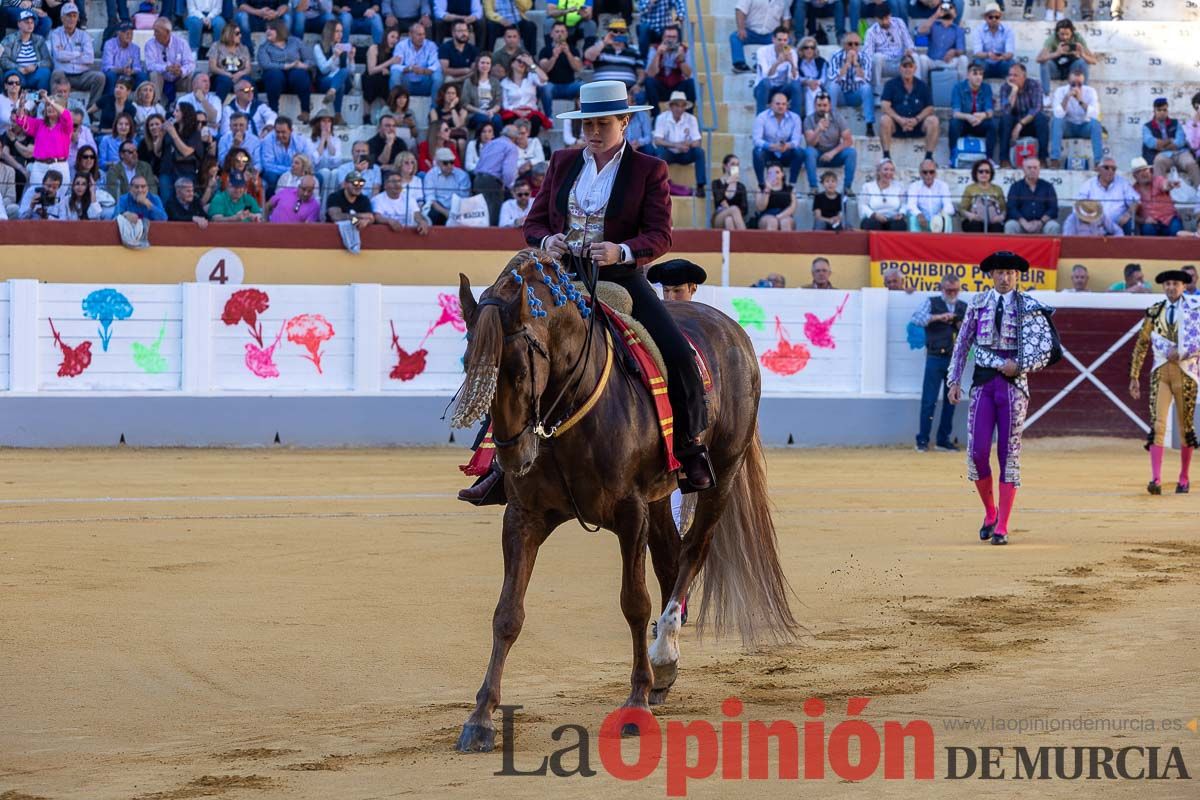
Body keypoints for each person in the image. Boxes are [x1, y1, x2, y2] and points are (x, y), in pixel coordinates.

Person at [470, 78, 711, 501]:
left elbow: (660, 236)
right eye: (587, 126)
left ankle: (691, 450)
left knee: (678, 353)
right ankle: (496, 461)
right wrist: (548, 242)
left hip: (620, 278)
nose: (594, 133)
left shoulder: (649, 169)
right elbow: (535, 223)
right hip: (561, 276)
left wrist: (621, 251)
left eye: (603, 124)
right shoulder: (563, 162)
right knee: (511, 348)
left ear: (625, 123)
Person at [948, 251, 1059, 545]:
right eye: (999, 272)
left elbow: (1045, 350)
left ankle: (1003, 526)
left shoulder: (1029, 307)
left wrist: (1020, 366)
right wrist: (954, 380)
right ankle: (990, 511)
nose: (1005, 277)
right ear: (991, 275)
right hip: (983, 385)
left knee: (1008, 454)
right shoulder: (978, 304)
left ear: (1017, 276)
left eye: (1010, 272)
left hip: (1013, 387)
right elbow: (962, 345)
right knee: (977, 452)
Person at [1129, 270, 1199, 495]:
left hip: (1186, 372)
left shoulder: (1195, 310)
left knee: (1185, 426)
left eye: (1176, 284)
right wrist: (1134, 375)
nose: (1171, 287)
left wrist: (1182, 352)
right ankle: (1156, 479)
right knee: (1158, 424)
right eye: (1168, 284)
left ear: (1183, 286)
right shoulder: (1154, 311)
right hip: (1160, 373)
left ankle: (1184, 477)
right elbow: (1142, 343)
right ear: (1163, 287)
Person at [911, 274, 965, 452]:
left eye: (955, 290)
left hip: (954, 360)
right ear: (941, 289)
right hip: (934, 357)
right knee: (929, 401)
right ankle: (923, 440)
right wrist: (938, 317)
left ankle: (943, 440)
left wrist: (960, 325)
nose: (952, 293)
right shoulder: (932, 302)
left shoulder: (963, 307)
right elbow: (916, 319)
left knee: (951, 401)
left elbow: (973, 330)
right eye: (949, 290)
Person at [878, 55, 938, 163]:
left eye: (910, 66)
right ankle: (886, 156)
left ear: (915, 68)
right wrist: (900, 120)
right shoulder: (890, 84)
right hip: (897, 124)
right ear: (900, 68)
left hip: (917, 124)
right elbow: (884, 106)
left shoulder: (923, 86)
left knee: (933, 120)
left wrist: (916, 120)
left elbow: (930, 108)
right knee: (884, 120)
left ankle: (928, 158)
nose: (907, 69)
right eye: (904, 66)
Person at [49, 3, 105, 107]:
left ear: (78, 18)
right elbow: (58, 56)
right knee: (56, 74)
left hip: (82, 75)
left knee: (100, 77)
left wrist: (67, 57)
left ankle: (90, 111)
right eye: (68, 16)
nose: (71, 19)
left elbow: (89, 59)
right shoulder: (56, 34)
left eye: (74, 16)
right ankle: (56, 108)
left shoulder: (84, 35)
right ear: (62, 18)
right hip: (64, 75)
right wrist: (78, 54)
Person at [11, 89, 71, 187]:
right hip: (39, 167)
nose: (49, 108)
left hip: (59, 166)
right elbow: (20, 120)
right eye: (47, 105)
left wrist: (48, 99)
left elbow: (66, 115)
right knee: (36, 195)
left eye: (52, 105)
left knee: (57, 200)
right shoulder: (39, 124)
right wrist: (21, 104)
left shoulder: (65, 126)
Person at [1048, 65, 1101, 169]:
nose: (1076, 87)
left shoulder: (1091, 91)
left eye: (1080, 84)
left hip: (1084, 126)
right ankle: (1055, 159)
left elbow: (1095, 114)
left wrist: (1080, 100)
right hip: (1068, 127)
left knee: (1096, 124)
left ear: (1084, 82)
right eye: (1073, 84)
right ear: (1068, 81)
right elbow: (1058, 114)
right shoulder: (1060, 91)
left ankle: (1098, 162)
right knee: (1056, 121)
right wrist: (1067, 98)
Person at [652, 90, 704, 195]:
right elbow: (657, 141)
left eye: (682, 106)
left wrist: (687, 144)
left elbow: (697, 141)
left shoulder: (691, 119)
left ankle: (700, 186)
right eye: (677, 105)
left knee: (699, 152)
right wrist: (676, 145)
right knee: (660, 153)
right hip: (669, 153)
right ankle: (657, 186)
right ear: (671, 106)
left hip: (685, 153)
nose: (680, 109)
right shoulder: (662, 118)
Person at [258, 19, 311, 120]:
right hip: (276, 81)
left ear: (279, 30)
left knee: (300, 74)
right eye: (266, 29)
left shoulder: (295, 42)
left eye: (271, 29)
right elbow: (265, 64)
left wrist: (303, 65)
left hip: (295, 78)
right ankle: (274, 113)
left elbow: (311, 60)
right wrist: (286, 66)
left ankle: (305, 111)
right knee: (274, 74)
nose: (267, 31)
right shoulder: (264, 47)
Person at [823, 31, 874, 136]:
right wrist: (846, 63)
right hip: (841, 95)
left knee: (867, 88)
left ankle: (869, 124)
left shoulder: (865, 57)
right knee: (833, 87)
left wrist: (855, 64)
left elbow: (866, 78)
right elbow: (833, 78)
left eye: (856, 44)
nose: (853, 47)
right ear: (844, 45)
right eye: (850, 44)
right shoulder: (835, 56)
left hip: (856, 95)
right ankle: (829, 122)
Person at [1142, 98, 1200, 188]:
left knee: (1191, 164)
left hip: (1181, 153)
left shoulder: (1175, 123)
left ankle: (1199, 189)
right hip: (1162, 155)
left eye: (1164, 110)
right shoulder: (1147, 126)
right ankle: (1160, 192)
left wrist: (1162, 144)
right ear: (1154, 111)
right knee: (1158, 162)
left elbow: (1180, 141)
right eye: (1159, 110)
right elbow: (1151, 142)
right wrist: (1170, 140)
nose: (1162, 112)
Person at [996, 63, 1047, 166]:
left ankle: (1042, 159)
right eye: (1010, 75)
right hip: (1012, 124)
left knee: (1041, 118)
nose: (1012, 78)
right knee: (1005, 119)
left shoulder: (1034, 85)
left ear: (1024, 76)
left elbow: (1036, 108)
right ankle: (1004, 160)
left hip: (1029, 124)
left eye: (1015, 75)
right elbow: (1006, 110)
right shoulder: (1006, 87)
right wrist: (1014, 91)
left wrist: (1020, 124)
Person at [751, 90, 803, 188]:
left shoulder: (795, 118)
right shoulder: (762, 117)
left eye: (784, 104)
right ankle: (761, 184)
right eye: (777, 104)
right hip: (769, 152)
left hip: (785, 152)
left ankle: (792, 185)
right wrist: (771, 146)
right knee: (757, 152)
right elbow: (756, 140)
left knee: (799, 152)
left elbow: (796, 141)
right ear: (771, 105)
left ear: (787, 105)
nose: (781, 106)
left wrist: (787, 145)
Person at [471, 122, 519, 224]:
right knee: (492, 214)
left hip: (477, 179)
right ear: (515, 137)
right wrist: (508, 185)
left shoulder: (490, 143)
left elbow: (480, 163)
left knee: (480, 213)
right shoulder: (511, 147)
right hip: (492, 182)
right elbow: (508, 172)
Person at [948, 63, 994, 166]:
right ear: (968, 75)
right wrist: (968, 117)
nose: (979, 77)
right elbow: (955, 113)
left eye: (981, 74)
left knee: (991, 124)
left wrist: (983, 115)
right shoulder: (958, 87)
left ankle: (989, 158)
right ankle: (952, 156)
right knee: (954, 123)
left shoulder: (986, 88)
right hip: (964, 123)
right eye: (975, 74)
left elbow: (990, 111)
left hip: (979, 122)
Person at [1078, 156, 1138, 235]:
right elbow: (1079, 205)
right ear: (1099, 169)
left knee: (1129, 224)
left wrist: (1128, 214)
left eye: (1113, 169)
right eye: (1106, 167)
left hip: (1118, 223)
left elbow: (1135, 201)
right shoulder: (1088, 185)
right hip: (1094, 223)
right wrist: (1089, 219)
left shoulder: (1122, 183)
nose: (1110, 171)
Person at [1035, 18, 1096, 95]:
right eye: (1062, 34)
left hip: (1072, 71)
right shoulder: (1052, 39)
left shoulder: (1077, 38)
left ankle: (1083, 92)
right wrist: (1056, 53)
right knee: (1044, 63)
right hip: (1056, 70)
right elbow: (1038, 59)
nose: (1065, 37)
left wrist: (1082, 54)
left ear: (1072, 33)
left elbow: (1094, 61)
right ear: (1057, 33)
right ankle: (1046, 95)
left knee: (1082, 62)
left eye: (1067, 34)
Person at [643, 22, 693, 113]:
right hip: (661, 88)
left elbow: (689, 74)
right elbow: (650, 74)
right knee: (649, 82)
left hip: (678, 88)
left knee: (691, 83)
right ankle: (656, 115)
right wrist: (658, 55)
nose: (670, 40)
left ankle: (688, 114)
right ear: (663, 37)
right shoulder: (654, 49)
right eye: (668, 37)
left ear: (678, 39)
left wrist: (682, 60)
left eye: (673, 37)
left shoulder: (685, 50)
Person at [371, 151, 428, 229]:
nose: (397, 185)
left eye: (399, 182)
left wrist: (421, 221)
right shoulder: (378, 199)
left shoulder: (409, 198)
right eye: (394, 182)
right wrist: (389, 221)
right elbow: (377, 217)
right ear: (385, 185)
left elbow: (416, 212)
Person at [144, 17, 195, 104]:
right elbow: (150, 65)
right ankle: (156, 104)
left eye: (157, 31)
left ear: (167, 32)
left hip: (178, 79)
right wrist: (166, 68)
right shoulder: (150, 44)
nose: (154, 34)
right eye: (154, 31)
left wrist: (181, 71)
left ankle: (189, 105)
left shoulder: (181, 43)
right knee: (154, 74)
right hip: (161, 79)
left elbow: (190, 63)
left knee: (190, 76)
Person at [1004, 157, 1060, 235]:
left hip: (1042, 224)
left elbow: (1053, 209)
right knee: (1010, 225)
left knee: (1053, 226)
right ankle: (1011, 248)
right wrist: (1024, 223)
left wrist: (1040, 222)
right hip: (1022, 224)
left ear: (1039, 169)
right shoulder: (1015, 187)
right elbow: (1011, 208)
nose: (1032, 170)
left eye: (1035, 167)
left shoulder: (1048, 186)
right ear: (1023, 169)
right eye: (1029, 168)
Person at [313, 19, 355, 124]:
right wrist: (334, 56)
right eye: (337, 31)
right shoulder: (318, 47)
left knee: (343, 72)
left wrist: (351, 58)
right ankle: (337, 115)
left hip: (339, 82)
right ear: (329, 31)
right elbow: (323, 69)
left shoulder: (343, 47)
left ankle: (332, 92)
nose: (340, 34)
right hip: (324, 81)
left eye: (341, 31)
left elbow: (351, 73)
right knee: (340, 85)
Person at [730, 0, 789, 73]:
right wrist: (741, 28)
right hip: (750, 32)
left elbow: (786, 19)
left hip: (770, 35)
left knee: (786, 42)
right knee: (734, 37)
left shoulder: (783, 1)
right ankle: (739, 64)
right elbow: (740, 10)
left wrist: (784, 34)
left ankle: (761, 65)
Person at [1, 11, 53, 93]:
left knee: (45, 72)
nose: (30, 25)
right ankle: (13, 100)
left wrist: (35, 66)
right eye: (26, 22)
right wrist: (18, 68)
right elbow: (4, 60)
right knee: (11, 75)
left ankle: (41, 100)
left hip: (34, 74)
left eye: (32, 22)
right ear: (19, 24)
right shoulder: (9, 39)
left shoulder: (39, 40)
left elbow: (48, 61)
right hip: (17, 73)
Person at [1131, 156, 1183, 237]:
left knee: (1176, 229)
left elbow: (1165, 185)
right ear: (1135, 176)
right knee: (1147, 229)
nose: (1144, 173)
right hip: (1151, 224)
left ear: (1150, 170)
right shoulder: (1133, 190)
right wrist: (1144, 220)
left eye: (1145, 169)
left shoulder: (1158, 180)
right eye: (1139, 171)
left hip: (1169, 220)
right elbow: (1132, 214)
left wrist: (1171, 184)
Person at [864, 8, 916, 88]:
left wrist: (909, 50)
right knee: (877, 57)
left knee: (915, 56)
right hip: (885, 64)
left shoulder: (899, 22)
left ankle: (917, 88)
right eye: (882, 19)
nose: (885, 22)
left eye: (887, 18)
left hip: (901, 62)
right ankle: (876, 89)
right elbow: (868, 55)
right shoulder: (871, 32)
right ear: (876, 19)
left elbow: (909, 42)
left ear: (890, 15)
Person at [260, 116, 315, 192]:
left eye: (283, 132)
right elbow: (267, 165)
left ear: (291, 130)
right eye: (277, 132)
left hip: (299, 172)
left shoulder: (300, 140)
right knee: (270, 176)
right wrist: (291, 170)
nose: (280, 135)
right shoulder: (268, 140)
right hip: (276, 173)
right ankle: (273, 202)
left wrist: (299, 170)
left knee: (318, 177)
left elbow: (308, 161)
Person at [584, 19, 642, 89]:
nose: (618, 34)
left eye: (622, 31)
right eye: (615, 31)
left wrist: (638, 84)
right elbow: (588, 56)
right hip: (602, 89)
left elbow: (641, 71)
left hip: (626, 90)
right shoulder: (600, 46)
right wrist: (605, 42)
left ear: (626, 33)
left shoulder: (634, 49)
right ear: (609, 32)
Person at [916, 2, 967, 83]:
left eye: (950, 9)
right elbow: (920, 31)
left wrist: (954, 51)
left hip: (949, 61)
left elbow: (961, 50)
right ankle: (923, 86)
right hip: (933, 61)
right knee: (922, 58)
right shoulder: (934, 25)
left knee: (963, 59)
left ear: (955, 14)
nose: (948, 11)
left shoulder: (958, 29)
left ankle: (962, 88)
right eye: (946, 9)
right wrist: (936, 15)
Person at [390, 20, 442, 98]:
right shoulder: (401, 45)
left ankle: (434, 108)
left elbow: (435, 65)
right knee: (395, 74)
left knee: (438, 75)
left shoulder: (431, 45)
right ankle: (395, 106)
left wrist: (423, 70)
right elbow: (395, 66)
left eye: (424, 34)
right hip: (406, 83)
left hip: (425, 82)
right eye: (419, 35)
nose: (422, 37)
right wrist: (410, 68)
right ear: (410, 35)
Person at [752, 27, 798, 114]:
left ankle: (796, 120)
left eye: (785, 40)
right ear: (773, 39)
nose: (782, 43)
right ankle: (760, 120)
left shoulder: (791, 52)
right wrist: (777, 63)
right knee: (765, 83)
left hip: (782, 89)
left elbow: (794, 77)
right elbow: (766, 75)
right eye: (779, 40)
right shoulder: (762, 51)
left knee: (796, 85)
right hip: (765, 88)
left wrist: (792, 63)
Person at [422, 145, 470, 224]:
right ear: (438, 163)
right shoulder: (430, 175)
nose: (449, 166)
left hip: (457, 208)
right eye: (445, 163)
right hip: (438, 209)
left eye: (451, 162)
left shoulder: (462, 175)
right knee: (434, 214)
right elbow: (431, 201)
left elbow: (463, 198)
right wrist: (447, 213)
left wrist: (453, 214)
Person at [958, 158, 1004, 233]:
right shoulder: (969, 189)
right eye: (981, 171)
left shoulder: (997, 189)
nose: (984, 174)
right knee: (975, 225)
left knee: (997, 227)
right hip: (974, 221)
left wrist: (1000, 217)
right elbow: (962, 209)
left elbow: (1003, 209)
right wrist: (971, 216)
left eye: (987, 172)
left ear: (991, 174)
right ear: (976, 173)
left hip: (993, 220)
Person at [969, 2, 1013, 80]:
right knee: (978, 63)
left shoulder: (1008, 30)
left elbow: (1010, 53)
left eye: (997, 17)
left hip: (1001, 63)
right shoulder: (978, 30)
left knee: (1011, 63)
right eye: (990, 17)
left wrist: (1002, 57)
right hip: (986, 63)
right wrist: (988, 55)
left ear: (1000, 17)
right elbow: (977, 52)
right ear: (985, 18)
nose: (994, 19)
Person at [906, 159, 952, 232]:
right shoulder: (914, 186)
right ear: (920, 174)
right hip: (922, 220)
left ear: (935, 173)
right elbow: (911, 205)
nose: (928, 175)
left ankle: (945, 243)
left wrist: (940, 215)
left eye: (931, 172)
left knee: (947, 218)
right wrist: (919, 214)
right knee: (913, 218)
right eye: (925, 172)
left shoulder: (943, 186)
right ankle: (915, 243)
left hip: (938, 220)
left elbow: (949, 206)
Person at [363, 29, 402, 114]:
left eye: (397, 38)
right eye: (392, 37)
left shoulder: (396, 52)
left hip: (385, 77)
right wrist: (390, 62)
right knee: (371, 81)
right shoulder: (374, 48)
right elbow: (371, 70)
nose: (394, 40)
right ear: (385, 37)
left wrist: (389, 72)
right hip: (371, 76)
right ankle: (366, 115)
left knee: (387, 81)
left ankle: (387, 113)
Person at [859, 158, 905, 230]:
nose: (888, 173)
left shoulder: (899, 187)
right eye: (885, 169)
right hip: (874, 218)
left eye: (891, 170)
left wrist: (901, 214)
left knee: (899, 225)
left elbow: (904, 204)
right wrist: (874, 214)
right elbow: (862, 205)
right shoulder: (868, 186)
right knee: (872, 224)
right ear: (879, 171)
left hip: (893, 219)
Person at [176, 72, 223, 138]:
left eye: (208, 81)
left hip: (210, 136)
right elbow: (182, 120)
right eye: (204, 81)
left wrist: (203, 100)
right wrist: (208, 123)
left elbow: (214, 119)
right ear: (194, 84)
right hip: (189, 136)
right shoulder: (183, 100)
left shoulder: (215, 100)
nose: (208, 84)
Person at [711, 153, 748, 230]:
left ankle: (734, 242)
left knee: (729, 220)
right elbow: (718, 199)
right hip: (719, 217)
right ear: (725, 166)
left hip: (735, 218)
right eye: (732, 164)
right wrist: (727, 183)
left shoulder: (741, 186)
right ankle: (746, 238)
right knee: (733, 208)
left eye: (737, 165)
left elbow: (745, 209)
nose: (735, 167)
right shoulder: (716, 183)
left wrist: (734, 214)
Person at [753, 162, 794, 229]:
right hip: (766, 216)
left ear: (782, 174)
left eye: (777, 172)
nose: (775, 175)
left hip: (785, 215)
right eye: (771, 173)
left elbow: (792, 207)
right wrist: (767, 189)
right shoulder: (761, 188)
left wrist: (779, 216)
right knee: (772, 221)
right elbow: (760, 207)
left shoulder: (789, 189)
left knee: (785, 222)